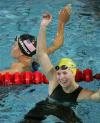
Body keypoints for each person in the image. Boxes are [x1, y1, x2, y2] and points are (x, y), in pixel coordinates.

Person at [0, 4, 71, 74]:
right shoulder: (36, 57)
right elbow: (56, 45)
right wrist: (62, 22)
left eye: (15, 45)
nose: (12, 47)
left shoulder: (18, 68)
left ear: (21, 53)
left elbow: (14, 72)